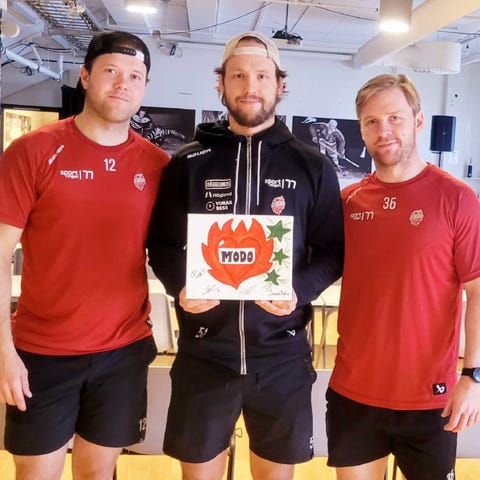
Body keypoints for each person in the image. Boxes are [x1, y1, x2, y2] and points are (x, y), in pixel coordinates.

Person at [147, 31, 344, 480]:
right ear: (220, 83)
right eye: (237, 76)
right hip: (203, 353)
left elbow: (333, 250)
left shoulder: (312, 166)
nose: (249, 86)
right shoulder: (189, 163)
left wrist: (298, 290)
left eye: (261, 76)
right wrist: (180, 286)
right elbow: (161, 244)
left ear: (280, 85)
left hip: (282, 356)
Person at [0, 31, 169, 479]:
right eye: (111, 71)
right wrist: (3, 351)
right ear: (85, 77)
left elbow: (176, 250)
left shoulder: (157, 165)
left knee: (98, 473)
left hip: (123, 352)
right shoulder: (33, 151)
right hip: (42, 352)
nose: (123, 83)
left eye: (135, 76)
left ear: (145, 87)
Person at [327, 73, 480, 480]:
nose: (384, 131)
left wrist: (473, 376)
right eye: (372, 122)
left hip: (430, 398)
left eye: (394, 117)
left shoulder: (457, 198)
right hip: (354, 392)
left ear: (418, 121)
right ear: (361, 130)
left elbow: (478, 291)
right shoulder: (347, 202)